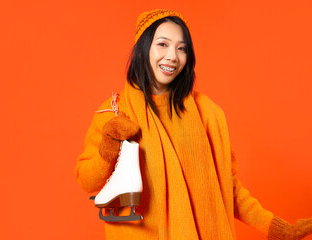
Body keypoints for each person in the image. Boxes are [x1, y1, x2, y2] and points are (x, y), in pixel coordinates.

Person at [75, 9, 312, 240]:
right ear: (142, 49)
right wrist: (107, 150)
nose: (172, 56)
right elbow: (87, 181)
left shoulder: (206, 112)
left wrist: (274, 227)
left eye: (182, 48)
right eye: (163, 44)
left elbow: (226, 188)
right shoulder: (115, 113)